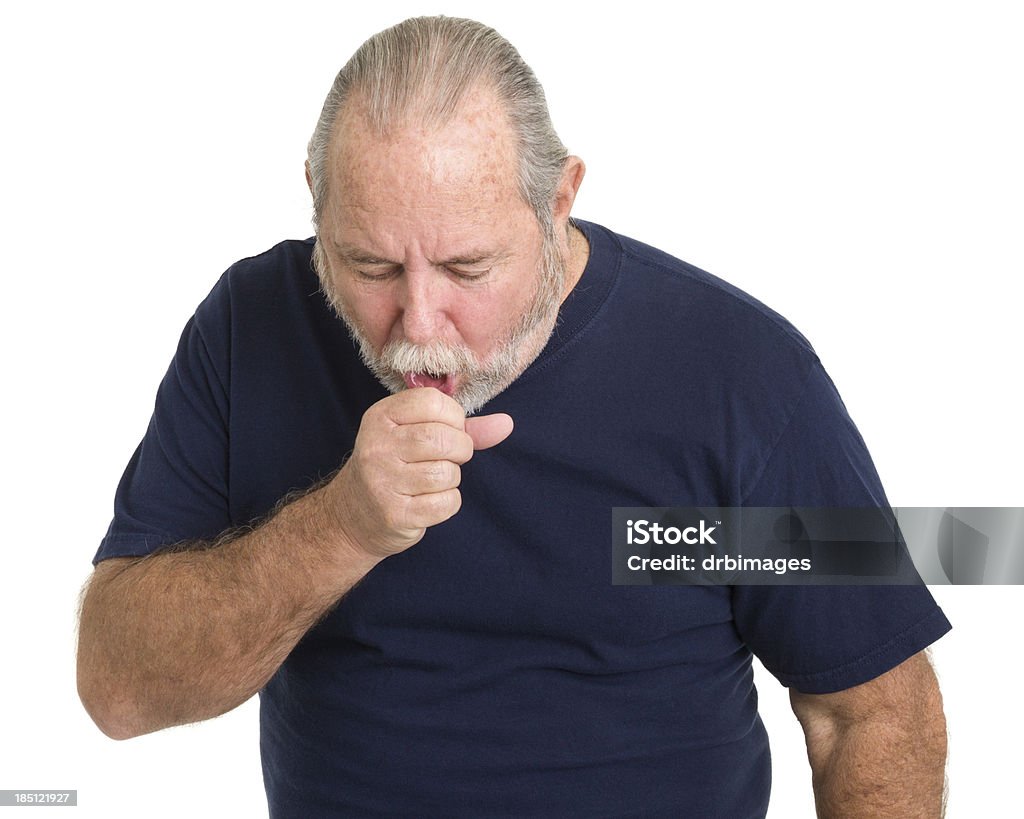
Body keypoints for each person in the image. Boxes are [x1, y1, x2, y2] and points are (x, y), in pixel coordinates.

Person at [77, 15, 951, 818]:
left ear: (559, 200)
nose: (418, 328)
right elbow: (117, 689)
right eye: (371, 266)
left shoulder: (744, 373)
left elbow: (868, 711)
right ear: (317, 200)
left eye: (466, 268)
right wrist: (341, 526)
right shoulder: (249, 327)